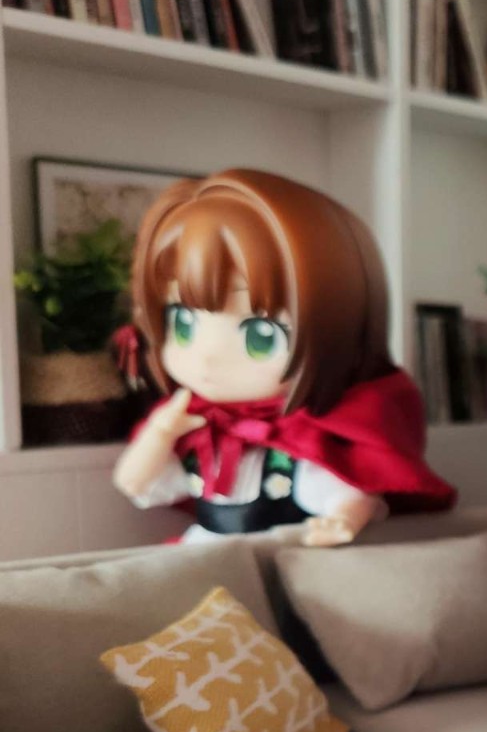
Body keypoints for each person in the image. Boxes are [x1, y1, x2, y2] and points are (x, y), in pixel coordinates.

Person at [114, 169, 455, 545]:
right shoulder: (200, 437)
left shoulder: (303, 445)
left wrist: (345, 519)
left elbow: (349, 497)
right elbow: (136, 484)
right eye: (183, 323)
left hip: (278, 555)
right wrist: (160, 433)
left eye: (260, 336)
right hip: (206, 550)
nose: (207, 358)